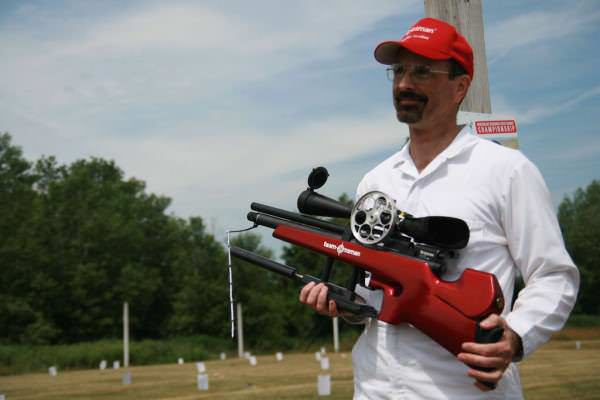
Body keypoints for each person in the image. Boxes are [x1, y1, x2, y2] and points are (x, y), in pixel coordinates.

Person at [299, 17, 579, 399]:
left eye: (422, 71)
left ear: (460, 86)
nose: (404, 84)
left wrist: (514, 335)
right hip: (375, 389)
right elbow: (374, 294)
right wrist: (346, 304)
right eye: (398, 71)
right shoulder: (375, 182)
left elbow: (554, 275)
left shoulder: (508, 171)